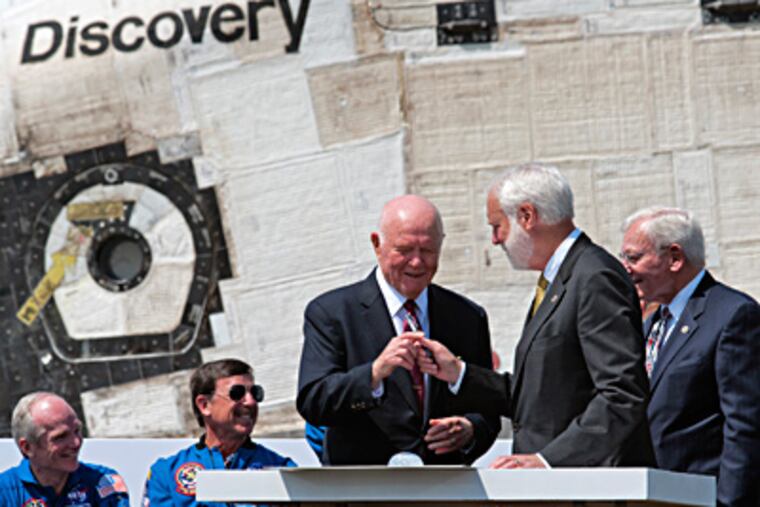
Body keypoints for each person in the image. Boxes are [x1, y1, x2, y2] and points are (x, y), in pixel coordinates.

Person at [418, 163, 655, 468]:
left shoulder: (593, 276)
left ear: (527, 216)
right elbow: (542, 395)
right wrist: (458, 373)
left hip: (583, 488)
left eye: (496, 226)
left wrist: (547, 461)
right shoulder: (558, 280)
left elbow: (622, 394)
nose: (494, 240)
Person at [297, 195, 500, 465]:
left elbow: (488, 409)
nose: (416, 263)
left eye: (427, 251)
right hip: (363, 490)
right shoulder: (332, 313)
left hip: (443, 489)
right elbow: (314, 401)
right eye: (404, 250)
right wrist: (373, 374)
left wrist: (469, 429)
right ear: (376, 244)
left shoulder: (467, 317)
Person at [621, 206, 760, 507]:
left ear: (674, 258)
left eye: (634, 258)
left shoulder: (732, 315)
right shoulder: (653, 321)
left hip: (703, 499)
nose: (626, 269)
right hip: (653, 497)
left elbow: (745, 426)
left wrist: (729, 503)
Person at [142, 359, 295, 506]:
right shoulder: (165, 473)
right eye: (237, 393)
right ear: (204, 405)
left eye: (255, 393)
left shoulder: (283, 469)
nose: (250, 401)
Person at [0, 392, 129, 506]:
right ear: (27, 447)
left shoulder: (103, 480)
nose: (76, 443)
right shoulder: (5, 490)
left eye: (77, 431)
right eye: (60, 437)